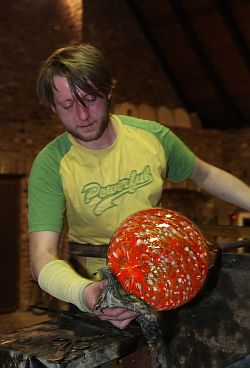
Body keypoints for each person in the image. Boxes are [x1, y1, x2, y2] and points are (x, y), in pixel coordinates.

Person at [28, 43, 250, 330]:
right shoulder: (51, 164)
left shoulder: (151, 137)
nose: (82, 116)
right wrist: (85, 294)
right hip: (99, 291)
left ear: (108, 92)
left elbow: (206, 175)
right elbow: (41, 255)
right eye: (68, 105)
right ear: (53, 107)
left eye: (90, 98)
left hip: (163, 277)